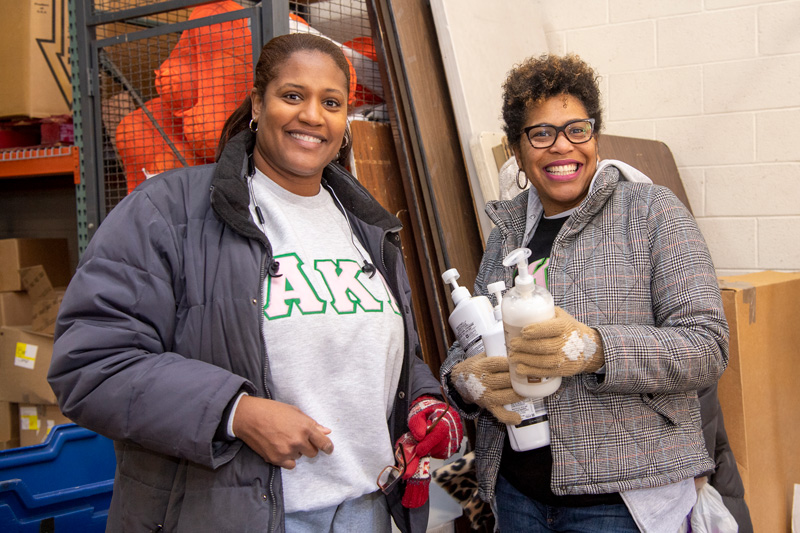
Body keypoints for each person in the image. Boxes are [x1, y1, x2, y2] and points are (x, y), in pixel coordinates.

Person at [48, 33, 462, 533]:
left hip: (367, 510)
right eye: (293, 95)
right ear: (256, 105)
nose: (312, 115)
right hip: (241, 516)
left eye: (331, 103)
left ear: (344, 122)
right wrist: (234, 411)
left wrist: (421, 398)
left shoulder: (367, 229)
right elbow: (90, 365)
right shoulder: (168, 211)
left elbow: (379, 351)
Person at [440, 53, 750, 532]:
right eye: (541, 133)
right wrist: (465, 381)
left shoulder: (651, 213)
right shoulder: (507, 234)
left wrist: (595, 349)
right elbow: (469, 342)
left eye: (577, 129)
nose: (562, 147)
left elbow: (707, 348)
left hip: (620, 503)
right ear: (516, 151)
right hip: (516, 496)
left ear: (595, 137)